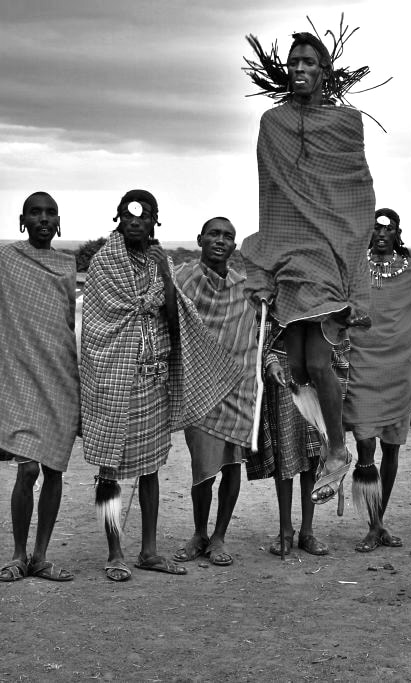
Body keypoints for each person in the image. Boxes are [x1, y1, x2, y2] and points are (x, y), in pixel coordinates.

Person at [240, 30, 377, 508]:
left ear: (325, 71)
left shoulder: (347, 123)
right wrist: (269, 260)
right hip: (286, 250)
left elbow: (356, 192)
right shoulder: (272, 122)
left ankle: (339, 451)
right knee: (296, 365)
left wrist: (350, 260)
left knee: (318, 361)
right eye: (293, 61)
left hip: (328, 251)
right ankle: (327, 443)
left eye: (309, 62)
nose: (299, 68)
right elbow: (271, 191)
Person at [81, 190, 240, 582]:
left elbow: (173, 316)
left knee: (151, 469)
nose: (136, 221)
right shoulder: (103, 263)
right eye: (129, 214)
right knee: (109, 471)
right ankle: (115, 551)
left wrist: (165, 275)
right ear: (118, 218)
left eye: (145, 215)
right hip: (112, 377)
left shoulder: (160, 264)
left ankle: (148, 551)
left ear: (155, 221)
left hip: (152, 379)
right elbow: (97, 326)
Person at [0, 191, 80, 582]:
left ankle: (41, 556)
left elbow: (66, 325)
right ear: (22, 219)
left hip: (59, 375)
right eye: (35, 212)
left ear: (59, 221)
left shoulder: (66, 264)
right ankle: (17, 554)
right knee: (26, 470)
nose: (43, 219)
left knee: (54, 469)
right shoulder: (3, 260)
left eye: (50, 213)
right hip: (21, 377)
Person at [344, 208, 411, 552]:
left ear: (397, 232)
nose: (381, 233)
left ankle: (378, 523)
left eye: (388, 228)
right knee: (366, 446)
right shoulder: (355, 264)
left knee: (392, 448)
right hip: (363, 364)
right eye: (376, 227)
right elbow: (344, 305)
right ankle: (374, 523)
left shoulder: (410, 270)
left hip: (399, 369)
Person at [171, 217, 258, 567]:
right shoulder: (181, 280)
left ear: (234, 246)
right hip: (199, 386)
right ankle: (199, 533)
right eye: (214, 234)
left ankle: (220, 536)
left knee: (232, 467)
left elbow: (255, 334)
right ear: (200, 240)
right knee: (202, 469)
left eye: (228, 236)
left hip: (239, 387)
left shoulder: (244, 287)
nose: (221, 240)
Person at [246, 319, 349, 557]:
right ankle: (285, 530)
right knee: (286, 450)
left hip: (319, 371)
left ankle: (307, 531)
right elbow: (259, 324)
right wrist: (270, 361)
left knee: (315, 453)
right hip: (282, 367)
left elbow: (338, 328)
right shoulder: (278, 284)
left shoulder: (322, 287)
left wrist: (324, 368)